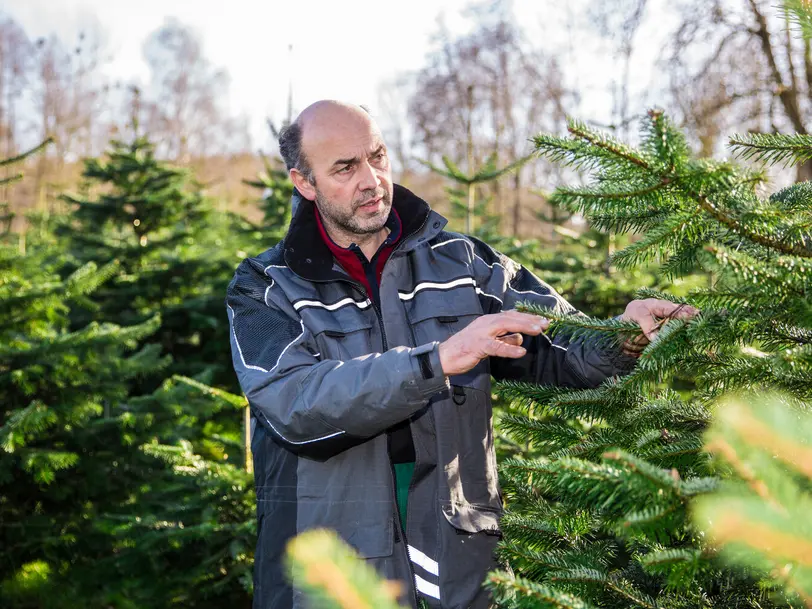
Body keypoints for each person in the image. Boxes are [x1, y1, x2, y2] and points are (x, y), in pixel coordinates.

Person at [226, 100, 698, 609]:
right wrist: (437, 361)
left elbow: (567, 347)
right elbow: (294, 404)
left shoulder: (464, 263)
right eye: (346, 167)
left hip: (457, 556)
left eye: (378, 157)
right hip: (329, 571)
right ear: (304, 182)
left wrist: (624, 333)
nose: (372, 180)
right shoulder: (265, 287)